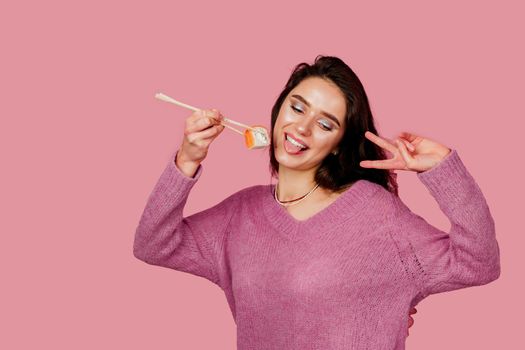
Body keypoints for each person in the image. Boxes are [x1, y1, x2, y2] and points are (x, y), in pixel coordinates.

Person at [133, 55, 501, 349]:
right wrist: (187, 159)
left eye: (325, 124)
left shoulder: (375, 214)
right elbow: (154, 244)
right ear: (278, 111)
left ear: (339, 143)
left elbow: (478, 263)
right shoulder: (237, 215)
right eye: (297, 108)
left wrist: (443, 170)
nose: (302, 128)